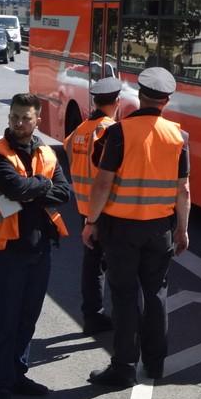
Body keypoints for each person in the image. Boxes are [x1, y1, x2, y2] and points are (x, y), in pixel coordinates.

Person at [82, 67, 190, 387]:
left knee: (125, 296)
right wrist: (182, 230)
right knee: (156, 295)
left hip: (122, 229)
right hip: (160, 230)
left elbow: (103, 184)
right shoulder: (178, 136)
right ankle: (155, 364)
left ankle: (124, 367)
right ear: (167, 101)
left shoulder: (119, 132)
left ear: (139, 96)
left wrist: (90, 222)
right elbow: (182, 190)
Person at [0, 93, 72, 399]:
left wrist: (34, 188)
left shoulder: (46, 152)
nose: (19, 123)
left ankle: (18, 376)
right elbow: (15, 189)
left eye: (26, 118)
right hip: (7, 253)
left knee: (28, 319)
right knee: (6, 321)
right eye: (15, 117)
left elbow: (65, 193)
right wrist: (41, 187)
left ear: (37, 120)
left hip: (39, 251)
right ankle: (2, 387)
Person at [64, 77, 121, 336]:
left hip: (83, 207)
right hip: (105, 210)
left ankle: (92, 315)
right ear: (117, 102)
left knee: (92, 263)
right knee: (113, 265)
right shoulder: (108, 130)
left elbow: (69, 157)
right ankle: (112, 318)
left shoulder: (79, 131)